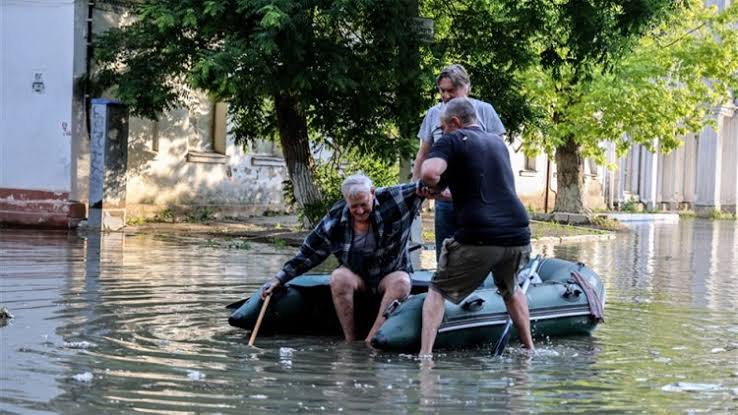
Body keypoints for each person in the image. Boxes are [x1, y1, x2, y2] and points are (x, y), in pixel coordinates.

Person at [418, 97, 533, 357]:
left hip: (480, 236)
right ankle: (530, 350)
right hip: (518, 234)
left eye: (443, 127)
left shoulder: (453, 139)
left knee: (437, 290)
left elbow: (430, 172)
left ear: (455, 122)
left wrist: (429, 179)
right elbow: (480, 191)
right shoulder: (496, 143)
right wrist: (440, 193)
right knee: (511, 290)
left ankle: (425, 357)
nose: (442, 132)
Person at [261, 174, 425, 343]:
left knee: (402, 282)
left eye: (364, 204)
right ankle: (350, 341)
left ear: (373, 193)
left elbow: (426, 184)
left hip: (390, 273)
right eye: (354, 207)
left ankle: (371, 340)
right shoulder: (335, 220)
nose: (360, 211)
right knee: (338, 277)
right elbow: (308, 254)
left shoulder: (394, 197)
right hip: (357, 276)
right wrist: (278, 279)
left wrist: (434, 187)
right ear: (346, 200)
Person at [412, 64, 506, 259]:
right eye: (442, 90)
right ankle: (443, 287)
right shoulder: (433, 114)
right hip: (444, 199)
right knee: (445, 257)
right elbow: (423, 154)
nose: (445, 96)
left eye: (451, 90)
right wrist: (415, 190)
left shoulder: (485, 111)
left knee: (477, 257)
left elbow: (497, 155)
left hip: (478, 200)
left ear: (466, 88)